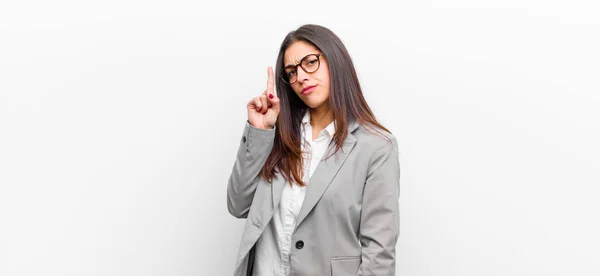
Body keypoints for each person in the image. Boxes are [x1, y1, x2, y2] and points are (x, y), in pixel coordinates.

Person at [227, 24, 400, 276]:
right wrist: (260, 132)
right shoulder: (278, 137)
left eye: (310, 62)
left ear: (335, 60)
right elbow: (238, 205)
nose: (301, 77)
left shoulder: (376, 147)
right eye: (291, 72)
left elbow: (379, 255)